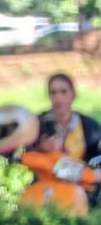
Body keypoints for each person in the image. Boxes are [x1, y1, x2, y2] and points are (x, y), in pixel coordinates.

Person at [35, 73, 101, 206]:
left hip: (82, 187)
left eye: (63, 92)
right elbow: (23, 153)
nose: (59, 98)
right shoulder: (38, 124)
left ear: (73, 94)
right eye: (53, 93)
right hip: (46, 187)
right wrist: (40, 148)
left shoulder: (88, 125)